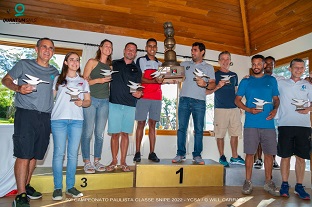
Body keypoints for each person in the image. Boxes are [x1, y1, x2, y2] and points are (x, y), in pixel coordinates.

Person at [2, 37, 59, 207]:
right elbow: (5, 80)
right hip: (26, 114)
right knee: (24, 154)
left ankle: (25, 186)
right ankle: (20, 195)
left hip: (45, 117)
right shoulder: (24, 64)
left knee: (35, 155)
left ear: (53, 52)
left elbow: (60, 91)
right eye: (44, 47)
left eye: (50, 48)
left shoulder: (55, 72)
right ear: (36, 49)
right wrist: (18, 88)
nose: (47, 50)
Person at [235, 54, 280, 196]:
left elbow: (276, 99)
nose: (256, 66)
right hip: (251, 124)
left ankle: (268, 182)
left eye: (259, 64)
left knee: (269, 154)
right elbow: (237, 100)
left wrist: (274, 110)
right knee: (249, 153)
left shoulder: (271, 80)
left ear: (264, 65)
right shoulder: (246, 81)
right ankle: (248, 181)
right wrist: (248, 109)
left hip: (268, 123)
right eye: (253, 64)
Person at [51, 52, 91, 200]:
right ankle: (57, 188)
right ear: (66, 62)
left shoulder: (83, 82)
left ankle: (70, 187)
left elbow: (88, 101)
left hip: (76, 121)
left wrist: (82, 102)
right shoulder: (58, 79)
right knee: (58, 155)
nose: (75, 62)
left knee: (73, 155)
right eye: (71, 60)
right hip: (58, 120)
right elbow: (50, 99)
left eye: (77, 60)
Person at [172, 42, 216, 165]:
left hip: (199, 102)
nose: (192, 52)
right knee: (182, 129)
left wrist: (205, 84)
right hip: (184, 100)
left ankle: (197, 155)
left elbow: (213, 84)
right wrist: (169, 77)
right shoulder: (184, 64)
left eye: (195, 50)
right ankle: (180, 154)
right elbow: (173, 74)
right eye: (192, 50)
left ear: (202, 52)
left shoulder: (209, 67)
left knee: (198, 130)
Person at [277, 58, 311, 200]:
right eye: (296, 67)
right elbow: (265, 79)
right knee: (285, 157)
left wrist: (308, 109)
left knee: (301, 158)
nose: (298, 70)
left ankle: (299, 186)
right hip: (285, 125)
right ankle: (284, 185)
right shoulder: (281, 82)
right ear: (290, 69)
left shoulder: (308, 85)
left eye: (301, 67)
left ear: (304, 69)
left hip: (304, 126)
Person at [106, 42, 142, 172]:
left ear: (135, 53)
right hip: (114, 103)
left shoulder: (137, 69)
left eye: (133, 50)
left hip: (130, 106)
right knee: (115, 135)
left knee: (125, 135)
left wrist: (139, 93)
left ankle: (123, 162)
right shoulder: (114, 64)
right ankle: (114, 161)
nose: (131, 52)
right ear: (124, 50)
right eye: (129, 49)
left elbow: (139, 89)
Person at [206, 51, 245, 167]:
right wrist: (219, 86)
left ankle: (234, 156)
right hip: (220, 109)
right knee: (220, 134)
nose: (225, 61)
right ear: (219, 61)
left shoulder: (234, 75)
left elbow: (237, 92)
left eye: (227, 59)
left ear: (230, 61)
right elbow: (207, 91)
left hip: (234, 109)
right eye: (222, 59)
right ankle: (222, 157)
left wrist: (240, 106)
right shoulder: (214, 75)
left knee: (235, 133)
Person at [81, 39, 113, 174]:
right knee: (87, 132)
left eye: (110, 47)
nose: (108, 48)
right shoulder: (92, 62)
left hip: (105, 101)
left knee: (99, 134)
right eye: (106, 46)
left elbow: (109, 86)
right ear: (100, 48)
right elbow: (83, 82)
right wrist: (98, 80)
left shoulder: (110, 67)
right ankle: (87, 162)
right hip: (91, 100)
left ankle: (97, 160)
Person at [133, 38, 163, 163]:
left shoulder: (160, 64)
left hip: (157, 97)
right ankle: (137, 152)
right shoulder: (140, 60)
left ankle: (151, 152)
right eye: (150, 46)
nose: (152, 48)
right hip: (143, 96)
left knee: (152, 125)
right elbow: (139, 78)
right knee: (140, 124)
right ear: (146, 48)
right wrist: (154, 81)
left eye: (154, 46)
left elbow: (161, 80)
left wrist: (163, 80)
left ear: (156, 48)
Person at [254, 56, 283, 170]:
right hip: (260, 112)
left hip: (275, 114)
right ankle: (258, 159)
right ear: (263, 65)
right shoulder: (258, 78)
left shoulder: (280, 79)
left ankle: (274, 160)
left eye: (272, 63)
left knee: (273, 138)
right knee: (259, 138)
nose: (269, 65)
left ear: (274, 65)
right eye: (267, 63)